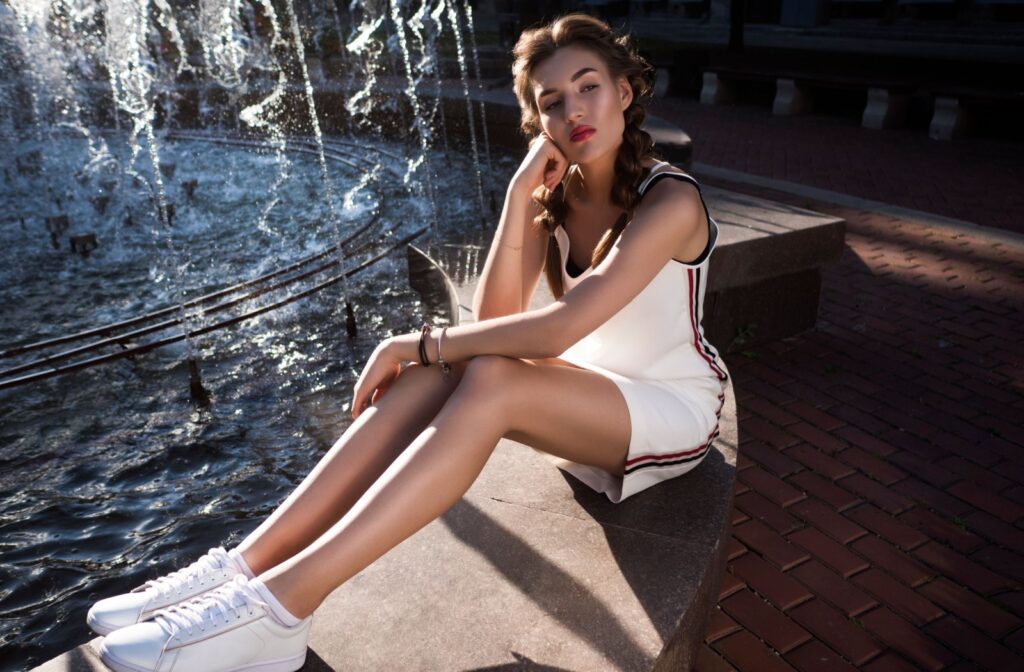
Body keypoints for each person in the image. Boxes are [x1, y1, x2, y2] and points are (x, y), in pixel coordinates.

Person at [88, 12, 729, 672]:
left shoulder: (670, 201)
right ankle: (244, 567)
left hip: (668, 409)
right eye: (552, 101)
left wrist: (412, 342)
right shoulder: (555, 193)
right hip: (586, 392)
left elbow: (557, 328)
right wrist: (516, 198)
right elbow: (494, 320)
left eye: (589, 86)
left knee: (467, 370)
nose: (574, 110)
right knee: (447, 373)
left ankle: (282, 606)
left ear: (625, 91)